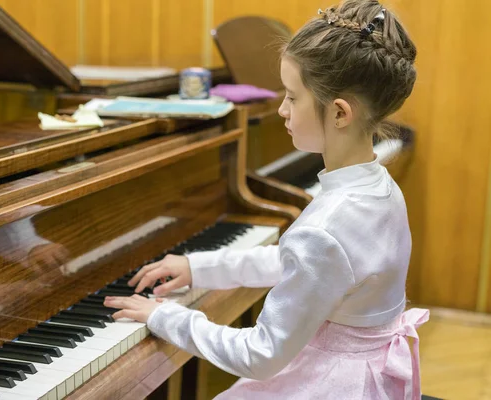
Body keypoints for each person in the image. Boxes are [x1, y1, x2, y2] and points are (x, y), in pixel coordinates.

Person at [105, 1, 429, 398]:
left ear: (340, 114)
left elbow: (261, 354)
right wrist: (199, 267)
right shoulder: (380, 187)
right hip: (368, 374)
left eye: (292, 97)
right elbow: (301, 265)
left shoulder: (326, 228)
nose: (281, 109)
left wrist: (168, 317)